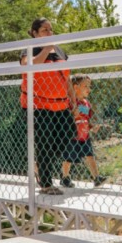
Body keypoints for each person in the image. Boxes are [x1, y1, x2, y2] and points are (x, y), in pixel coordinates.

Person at [20, 18, 76, 195]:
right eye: (45, 30)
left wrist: (73, 99)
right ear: (35, 33)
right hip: (38, 104)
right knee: (45, 142)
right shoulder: (30, 49)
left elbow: (66, 77)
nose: (50, 33)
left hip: (61, 104)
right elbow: (28, 65)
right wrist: (45, 48)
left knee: (68, 135)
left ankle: (40, 165)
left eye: (51, 30)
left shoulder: (59, 50)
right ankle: (46, 184)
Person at [60, 75, 107, 188]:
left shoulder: (86, 104)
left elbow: (86, 119)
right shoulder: (70, 102)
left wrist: (92, 127)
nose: (89, 89)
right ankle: (65, 177)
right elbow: (65, 117)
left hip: (84, 135)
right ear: (76, 87)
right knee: (68, 158)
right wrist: (73, 114)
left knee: (90, 155)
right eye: (85, 86)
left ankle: (96, 178)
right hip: (72, 136)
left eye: (89, 86)